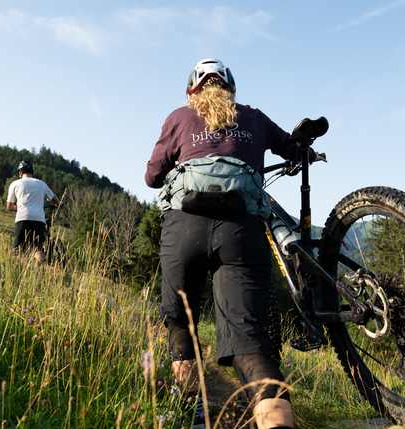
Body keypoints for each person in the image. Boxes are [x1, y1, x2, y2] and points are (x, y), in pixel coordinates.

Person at [145, 58, 325, 429]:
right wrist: (310, 154)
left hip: (184, 228)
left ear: (191, 91)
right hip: (241, 231)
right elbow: (293, 150)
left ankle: (192, 411)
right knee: (251, 343)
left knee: (183, 321)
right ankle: (276, 423)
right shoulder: (253, 117)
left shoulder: (178, 117)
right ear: (231, 89)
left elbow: (152, 177)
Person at [6, 161, 61, 264]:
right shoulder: (41, 184)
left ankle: (21, 273)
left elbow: (9, 206)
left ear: (20, 173)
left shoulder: (15, 184)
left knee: (19, 250)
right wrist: (58, 203)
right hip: (38, 220)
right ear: (33, 173)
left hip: (22, 219)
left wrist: (21, 207)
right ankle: (40, 270)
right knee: (38, 249)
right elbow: (54, 199)